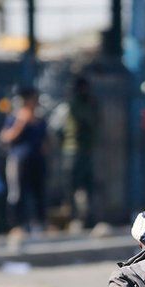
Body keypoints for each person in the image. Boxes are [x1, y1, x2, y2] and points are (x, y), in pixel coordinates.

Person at [0, 88, 48, 237]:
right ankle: (17, 225)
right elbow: (5, 137)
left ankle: (38, 224)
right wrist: (21, 123)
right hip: (18, 160)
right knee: (17, 193)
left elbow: (45, 141)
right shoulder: (14, 118)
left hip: (36, 161)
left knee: (38, 192)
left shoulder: (40, 120)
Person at [61, 76, 99, 228]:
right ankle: (72, 217)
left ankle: (87, 218)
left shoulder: (89, 104)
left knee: (88, 185)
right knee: (72, 185)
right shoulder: (73, 105)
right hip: (73, 150)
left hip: (86, 149)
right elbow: (85, 121)